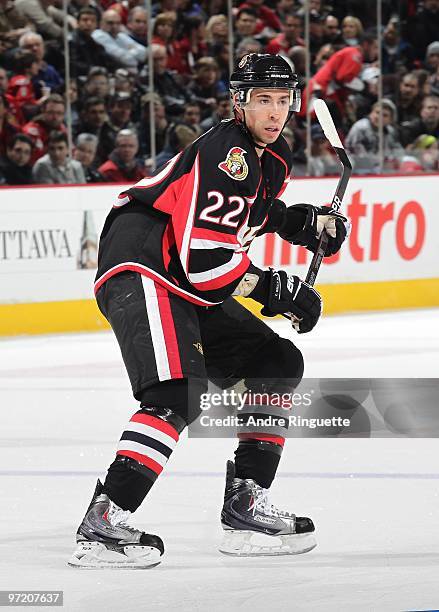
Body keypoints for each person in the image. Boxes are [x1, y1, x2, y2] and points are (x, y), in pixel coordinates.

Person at [68, 53, 349, 570]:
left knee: (275, 364)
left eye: (283, 100)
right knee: (177, 391)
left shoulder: (270, 158)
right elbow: (204, 263)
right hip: (146, 264)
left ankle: (245, 504)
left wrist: (300, 224)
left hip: (182, 276)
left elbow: (246, 216)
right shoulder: (229, 154)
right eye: (262, 100)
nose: (274, 111)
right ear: (238, 102)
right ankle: (103, 523)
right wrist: (276, 290)